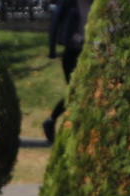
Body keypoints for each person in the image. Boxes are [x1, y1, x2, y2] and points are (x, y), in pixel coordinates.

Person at [43, 0, 92, 143]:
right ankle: (55, 122)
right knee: (76, 93)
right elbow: (55, 23)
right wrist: (52, 49)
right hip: (72, 54)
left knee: (84, 93)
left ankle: (57, 123)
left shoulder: (96, 4)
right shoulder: (69, 3)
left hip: (89, 54)